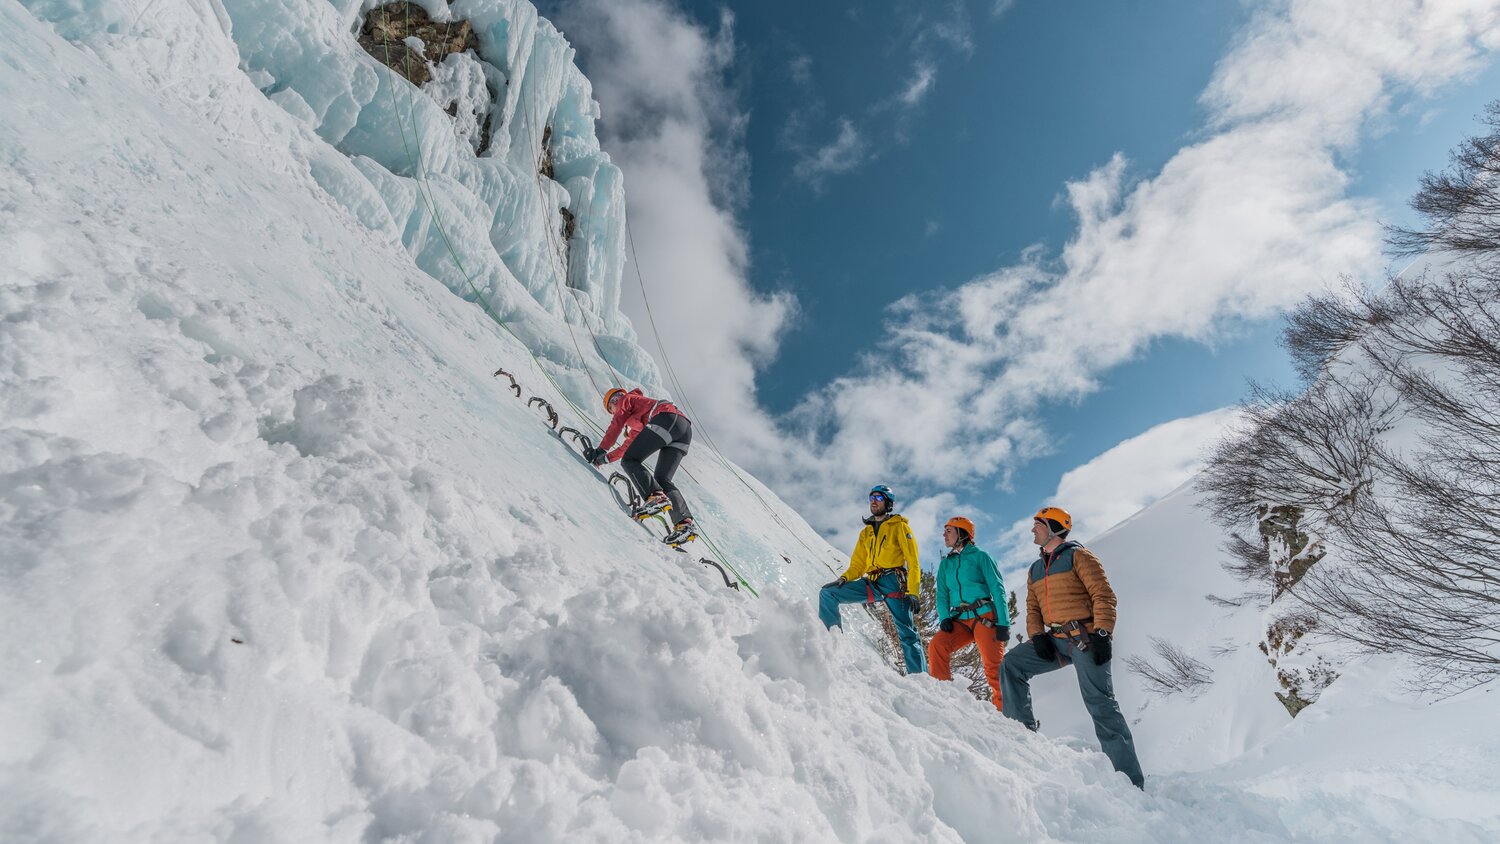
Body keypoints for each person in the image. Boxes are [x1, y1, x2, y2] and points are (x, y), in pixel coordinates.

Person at [1000, 507, 1145, 789]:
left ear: (1053, 527)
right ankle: (1022, 740)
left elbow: (1103, 595)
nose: (1032, 530)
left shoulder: (1079, 556)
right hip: (1054, 641)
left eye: (1037, 524)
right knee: (1012, 664)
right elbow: (1032, 608)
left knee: (1100, 704)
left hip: (1086, 638)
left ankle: (1130, 782)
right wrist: (1036, 635)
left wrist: (1103, 633)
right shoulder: (1035, 569)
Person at [818, 485, 924, 674]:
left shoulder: (900, 526)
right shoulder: (865, 533)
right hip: (873, 582)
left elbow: (913, 561)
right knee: (828, 594)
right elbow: (858, 565)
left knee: (907, 634)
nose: (874, 501)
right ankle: (832, 647)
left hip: (894, 583)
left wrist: (913, 591)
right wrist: (844, 578)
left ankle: (921, 679)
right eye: (871, 498)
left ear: (888, 503)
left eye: (879, 498)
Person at [583, 387, 696, 544]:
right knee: (662, 479)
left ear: (614, 400)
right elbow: (628, 446)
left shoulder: (625, 400)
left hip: (667, 419)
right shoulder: (639, 417)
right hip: (684, 431)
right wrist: (604, 459)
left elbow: (616, 424)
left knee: (630, 461)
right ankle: (684, 524)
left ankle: (656, 497)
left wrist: (601, 450)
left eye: (611, 409)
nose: (614, 411)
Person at [927, 516, 1009, 711]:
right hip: (960, 620)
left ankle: (1006, 713)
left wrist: (1004, 622)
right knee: (937, 645)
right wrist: (944, 617)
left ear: (962, 533)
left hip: (984, 617)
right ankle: (942, 698)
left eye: (949, 531)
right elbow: (942, 594)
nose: (944, 535)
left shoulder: (981, 557)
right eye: (944, 530)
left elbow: (998, 589)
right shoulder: (946, 564)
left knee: (993, 667)